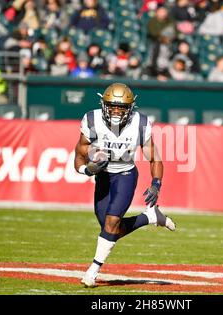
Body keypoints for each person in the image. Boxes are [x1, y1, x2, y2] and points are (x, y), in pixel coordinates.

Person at [74, 83, 176, 287]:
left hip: (125, 174)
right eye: (112, 106)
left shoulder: (140, 123)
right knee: (110, 228)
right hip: (103, 176)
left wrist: (156, 183)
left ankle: (92, 271)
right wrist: (89, 170)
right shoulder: (92, 119)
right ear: (104, 105)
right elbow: (79, 154)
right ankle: (149, 216)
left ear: (130, 108)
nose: (116, 111)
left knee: (111, 223)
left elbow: (155, 158)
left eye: (121, 107)